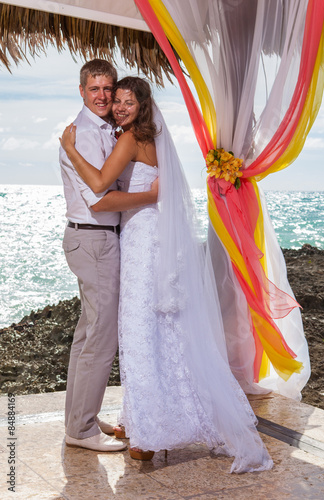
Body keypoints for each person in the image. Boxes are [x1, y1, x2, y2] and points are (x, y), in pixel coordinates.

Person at [60, 76, 273, 473]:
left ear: (142, 105)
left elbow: (101, 185)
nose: (119, 106)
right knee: (164, 330)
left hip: (141, 241)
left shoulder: (127, 140)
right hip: (151, 238)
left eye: (127, 101)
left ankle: (149, 432)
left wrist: (71, 148)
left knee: (139, 333)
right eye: (114, 99)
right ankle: (155, 417)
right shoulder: (151, 139)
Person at [59, 61, 158, 453]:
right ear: (81, 90)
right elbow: (100, 199)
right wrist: (151, 196)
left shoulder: (107, 131)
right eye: (95, 89)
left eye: (108, 89)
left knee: (87, 336)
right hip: (95, 240)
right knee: (100, 339)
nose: (103, 96)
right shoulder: (83, 134)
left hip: (98, 240)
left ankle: (79, 419)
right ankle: (81, 430)